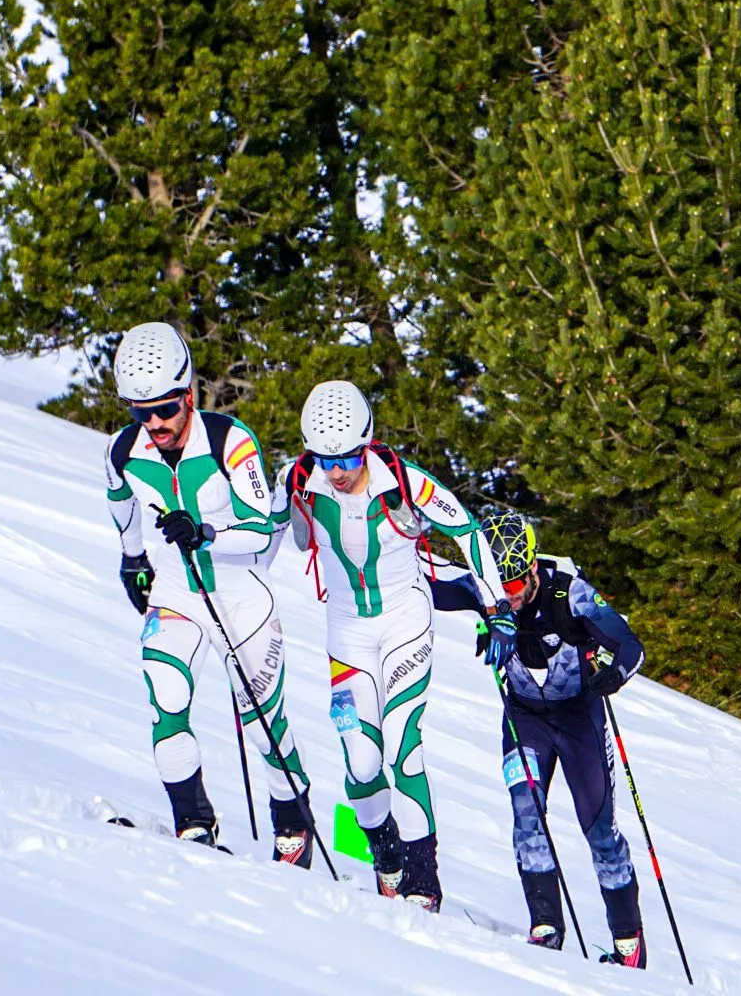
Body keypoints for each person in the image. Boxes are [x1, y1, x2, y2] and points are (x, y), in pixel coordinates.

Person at [267, 380, 510, 911]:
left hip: (405, 621)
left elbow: (468, 532)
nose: (336, 469)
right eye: (325, 457)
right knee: (361, 759)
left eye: (348, 455)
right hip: (347, 632)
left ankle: (424, 882)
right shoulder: (298, 479)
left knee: (403, 748)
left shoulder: (402, 480)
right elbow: (264, 538)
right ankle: (387, 858)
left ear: (368, 441)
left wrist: (496, 609)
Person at [104, 321, 316, 865]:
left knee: (264, 726)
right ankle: (193, 824)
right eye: (139, 411)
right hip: (178, 592)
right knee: (166, 698)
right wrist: (133, 558)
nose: (154, 424)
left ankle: (292, 822)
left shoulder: (230, 440)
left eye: (166, 409)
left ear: (189, 394)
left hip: (240, 598)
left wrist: (206, 532)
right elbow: (121, 502)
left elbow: (260, 530)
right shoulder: (122, 450)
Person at [433, 509, 648, 968]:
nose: (505, 597)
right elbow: (429, 584)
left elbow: (631, 646)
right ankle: (546, 926)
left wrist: (612, 674)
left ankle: (628, 942)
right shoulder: (486, 587)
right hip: (524, 717)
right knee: (526, 813)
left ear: (531, 569)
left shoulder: (568, 591)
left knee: (600, 831)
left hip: (577, 718)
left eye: (513, 586)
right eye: (497, 586)